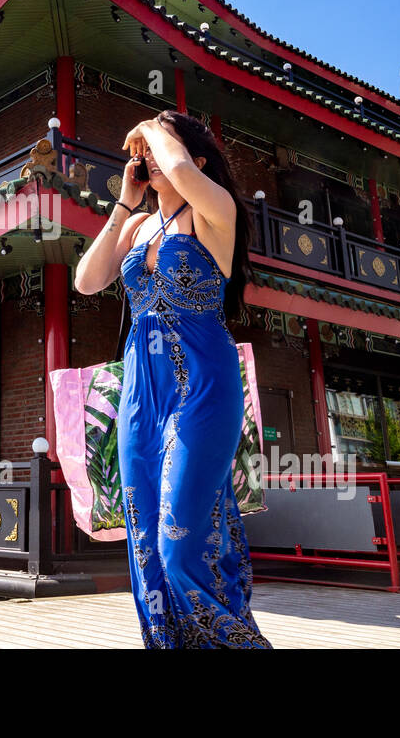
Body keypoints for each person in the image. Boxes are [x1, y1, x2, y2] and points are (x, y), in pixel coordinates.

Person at [74, 110, 271, 649]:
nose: (146, 161)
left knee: (181, 542)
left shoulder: (215, 211)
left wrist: (152, 123)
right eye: (143, 156)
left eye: (155, 153)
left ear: (194, 161)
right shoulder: (139, 227)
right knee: (145, 545)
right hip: (142, 393)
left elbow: (181, 167)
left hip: (203, 386)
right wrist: (124, 202)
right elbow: (88, 281)